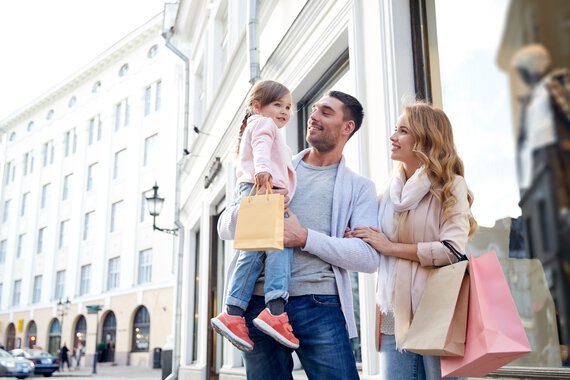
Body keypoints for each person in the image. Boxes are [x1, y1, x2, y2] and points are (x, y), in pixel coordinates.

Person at [218, 90, 380, 379]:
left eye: (326, 112)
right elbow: (224, 227)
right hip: (257, 306)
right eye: (314, 109)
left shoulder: (359, 187)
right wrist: (256, 208)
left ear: (347, 127)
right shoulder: (272, 167)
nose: (313, 116)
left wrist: (305, 237)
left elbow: (368, 259)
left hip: (319, 305)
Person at [346, 101, 477, 380]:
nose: (393, 137)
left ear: (425, 137)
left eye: (402, 131)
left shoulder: (450, 185)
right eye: (395, 130)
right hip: (393, 313)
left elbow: (453, 251)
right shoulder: (386, 193)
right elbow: (369, 235)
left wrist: (390, 247)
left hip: (437, 310)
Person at [211, 80, 299, 352]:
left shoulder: (267, 131)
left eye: (288, 107)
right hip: (262, 187)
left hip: (256, 188)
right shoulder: (263, 124)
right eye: (278, 105)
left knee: (252, 252)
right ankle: (275, 313)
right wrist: (264, 173)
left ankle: (233, 312)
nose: (285, 111)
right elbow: (261, 147)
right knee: (279, 246)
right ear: (258, 106)